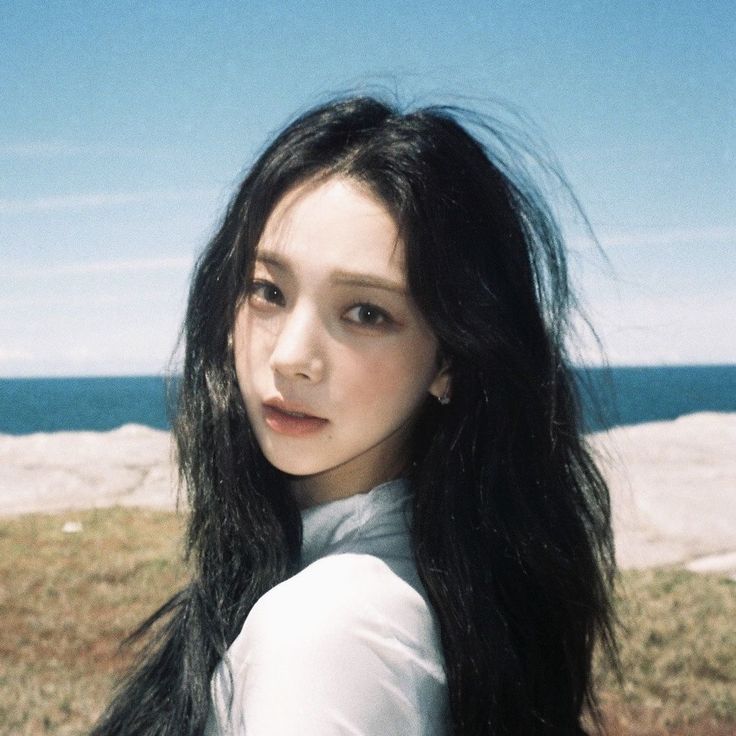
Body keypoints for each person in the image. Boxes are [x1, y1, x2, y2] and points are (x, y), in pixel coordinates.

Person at [91, 95, 617, 736]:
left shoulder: (327, 632)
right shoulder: (437, 572)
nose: (290, 357)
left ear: (450, 357)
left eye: (367, 312)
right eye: (269, 291)